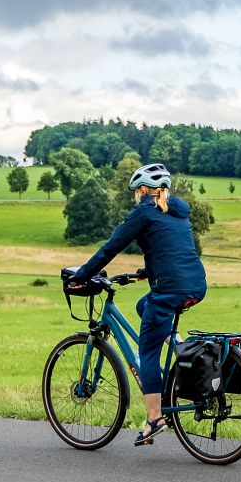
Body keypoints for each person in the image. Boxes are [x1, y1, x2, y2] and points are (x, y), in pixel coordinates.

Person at [69, 163, 207, 446]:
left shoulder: (143, 211)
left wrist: (81, 276)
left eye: (136, 191)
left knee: (146, 352)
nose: (135, 196)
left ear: (143, 190)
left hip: (169, 288)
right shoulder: (177, 210)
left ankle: (155, 418)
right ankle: (177, 343)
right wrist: (148, 271)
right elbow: (169, 247)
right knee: (144, 307)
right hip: (195, 284)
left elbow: (110, 247)